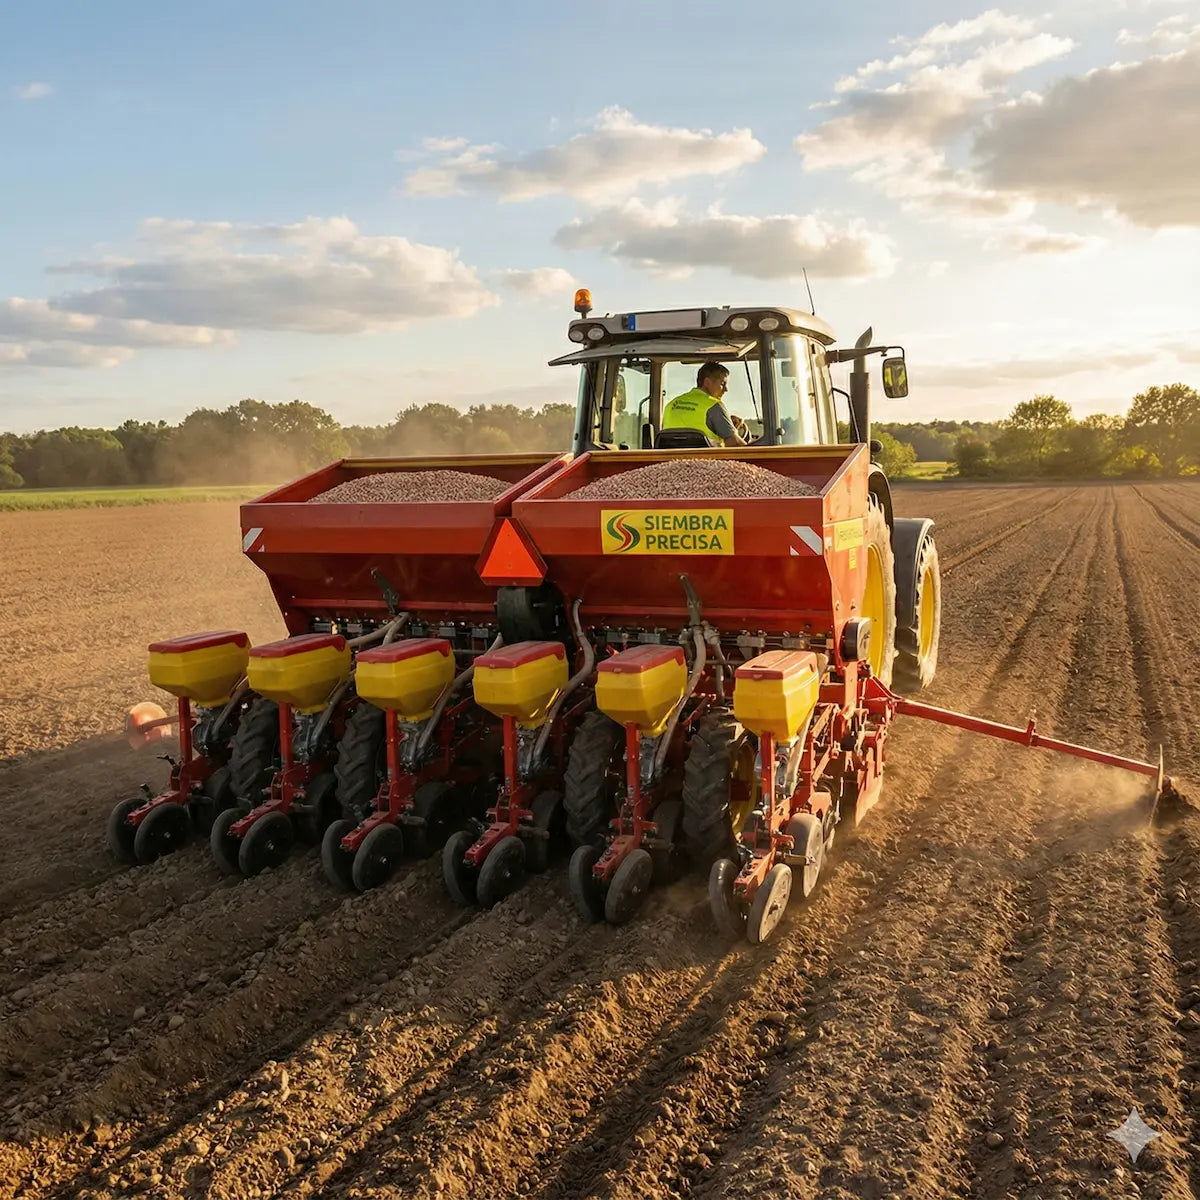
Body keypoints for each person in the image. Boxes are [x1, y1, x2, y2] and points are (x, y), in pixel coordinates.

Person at [662, 362, 749, 447]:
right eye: (722, 384)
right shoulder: (714, 405)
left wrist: (729, 425)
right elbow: (734, 443)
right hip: (705, 456)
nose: (726, 389)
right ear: (707, 382)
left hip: (671, 456)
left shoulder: (671, 405)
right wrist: (735, 434)